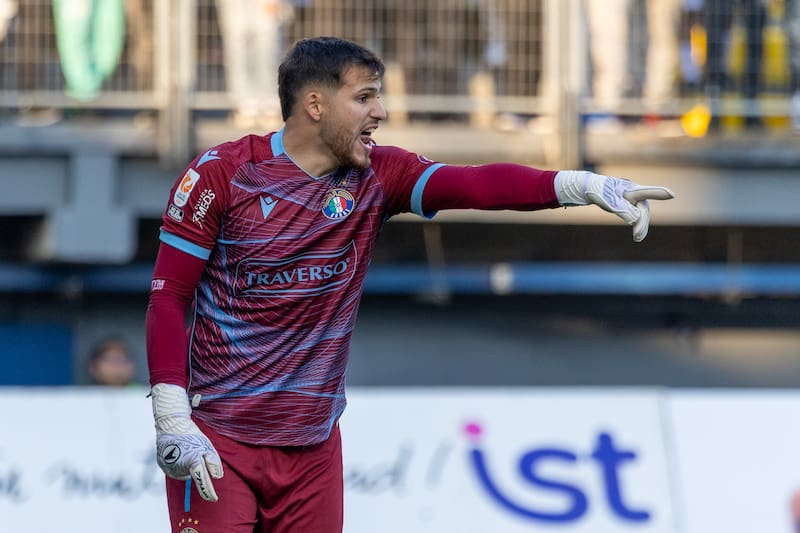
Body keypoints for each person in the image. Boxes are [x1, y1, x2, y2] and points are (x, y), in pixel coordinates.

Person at [145, 36, 674, 532]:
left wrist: (580, 184)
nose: (380, 112)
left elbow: (474, 184)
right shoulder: (221, 176)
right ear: (315, 104)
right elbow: (170, 297)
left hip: (313, 449)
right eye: (366, 97)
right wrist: (171, 414)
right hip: (220, 441)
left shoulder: (378, 175)